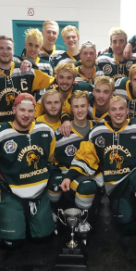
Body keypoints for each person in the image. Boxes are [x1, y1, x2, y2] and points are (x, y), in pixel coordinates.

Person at [61, 96, 136, 258]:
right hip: (115, 185)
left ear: (127, 110)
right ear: (108, 112)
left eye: (121, 109)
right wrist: (69, 177)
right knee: (126, 227)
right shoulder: (97, 131)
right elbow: (84, 157)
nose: (118, 113)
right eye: (114, 109)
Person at [0, 93, 56, 248]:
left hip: (39, 190)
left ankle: (37, 216)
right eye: (22, 110)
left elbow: (50, 159)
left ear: (35, 111)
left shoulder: (46, 131)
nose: (26, 115)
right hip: (11, 190)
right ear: (14, 109)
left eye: (30, 111)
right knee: (12, 243)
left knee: (43, 239)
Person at [0, 35, 53, 138]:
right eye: (1, 48)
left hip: (23, 129)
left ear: (13, 50)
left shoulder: (26, 70)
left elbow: (51, 84)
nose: (5, 51)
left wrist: (32, 64)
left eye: (8, 48)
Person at [47, 90, 98, 241]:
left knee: (88, 186)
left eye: (83, 106)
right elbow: (50, 159)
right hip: (65, 172)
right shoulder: (60, 133)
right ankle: (53, 212)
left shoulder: (98, 128)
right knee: (54, 183)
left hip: (88, 174)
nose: (80, 110)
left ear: (88, 106)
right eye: (76, 106)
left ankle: (82, 220)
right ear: (71, 109)